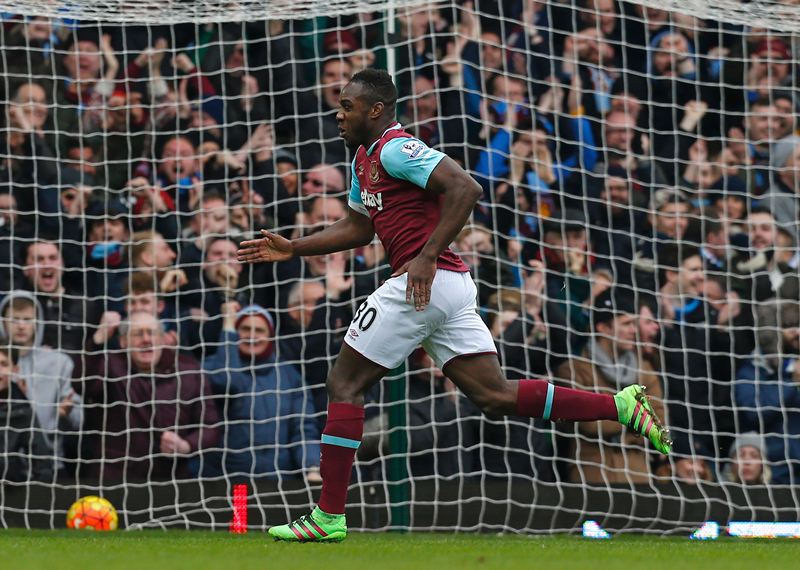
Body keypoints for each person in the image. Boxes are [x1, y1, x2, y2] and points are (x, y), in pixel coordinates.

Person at [238, 69, 671, 543]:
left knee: (343, 384)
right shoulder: (364, 159)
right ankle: (622, 404)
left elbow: (466, 189)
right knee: (494, 396)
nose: (338, 114)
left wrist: (423, 258)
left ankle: (328, 516)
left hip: (422, 281)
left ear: (375, 109)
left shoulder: (396, 148)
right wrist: (295, 247)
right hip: (448, 285)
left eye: (347, 106)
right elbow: (359, 229)